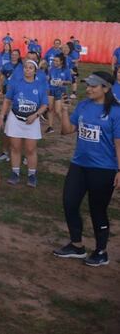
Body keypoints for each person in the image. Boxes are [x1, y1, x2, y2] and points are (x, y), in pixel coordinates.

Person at [53, 72, 120, 266]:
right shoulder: (83, 105)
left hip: (104, 169)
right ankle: (77, 246)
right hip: (79, 165)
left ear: (106, 88)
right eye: (87, 85)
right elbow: (66, 131)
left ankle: (101, 251)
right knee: (69, 203)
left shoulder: (115, 112)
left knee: (97, 210)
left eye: (93, 86)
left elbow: (118, 144)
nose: (88, 89)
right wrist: (64, 111)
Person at [0, 59, 49, 187]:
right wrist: (1, 116)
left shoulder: (40, 86)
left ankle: (32, 175)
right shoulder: (15, 83)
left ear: (35, 71)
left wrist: (36, 115)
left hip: (32, 120)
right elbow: (7, 100)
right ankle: (15, 173)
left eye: (31, 68)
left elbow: (44, 105)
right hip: (15, 118)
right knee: (15, 147)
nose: (27, 70)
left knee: (31, 149)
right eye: (26, 67)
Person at [46, 54, 71, 134]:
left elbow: (70, 81)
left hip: (60, 91)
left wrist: (63, 82)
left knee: (57, 111)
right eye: (54, 60)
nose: (54, 62)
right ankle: (50, 127)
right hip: (51, 90)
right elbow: (49, 79)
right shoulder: (51, 69)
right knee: (50, 109)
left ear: (61, 62)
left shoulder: (66, 70)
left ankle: (65, 126)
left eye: (57, 61)